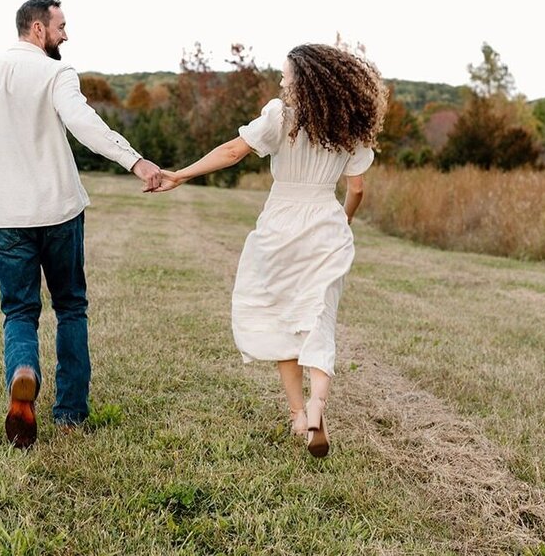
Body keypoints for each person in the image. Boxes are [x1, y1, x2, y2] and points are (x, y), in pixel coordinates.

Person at [0, 0, 162, 449]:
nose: (66, 35)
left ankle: (23, 372)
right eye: (62, 26)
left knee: (19, 311)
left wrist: (2, 176)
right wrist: (135, 161)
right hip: (59, 211)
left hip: (5, 218)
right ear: (39, 28)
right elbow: (84, 123)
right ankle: (69, 413)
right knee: (70, 307)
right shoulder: (56, 73)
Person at [154, 43, 386, 457]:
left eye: (287, 75)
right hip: (325, 223)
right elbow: (358, 188)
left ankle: (298, 414)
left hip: (281, 222)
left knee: (281, 315)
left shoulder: (281, 115)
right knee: (319, 317)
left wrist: (181, 175)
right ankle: (317, 407)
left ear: (305, 80)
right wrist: (343, 220)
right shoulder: (348, 126)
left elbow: (233, 152)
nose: (282, 81)